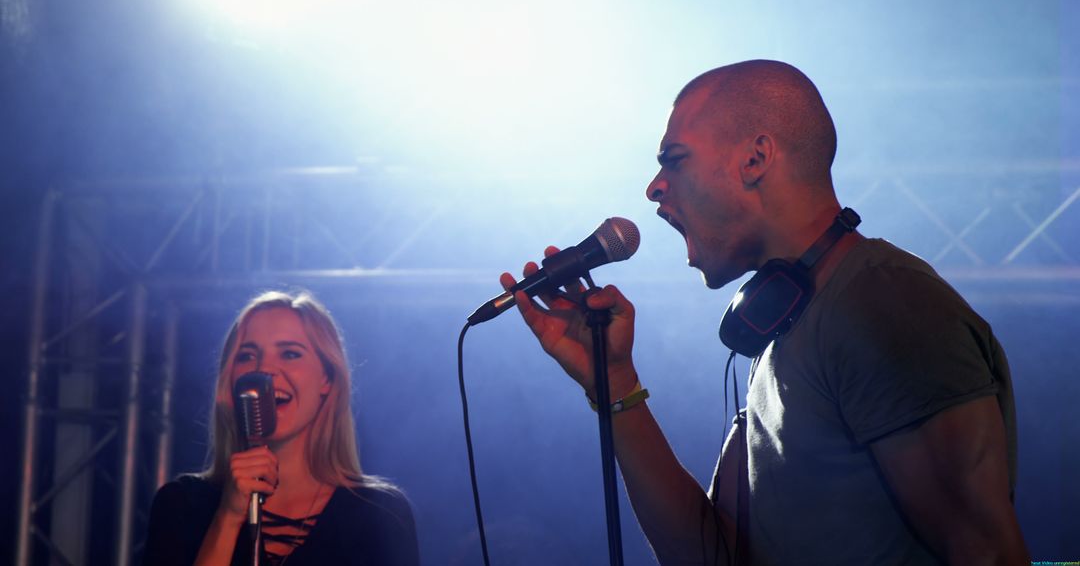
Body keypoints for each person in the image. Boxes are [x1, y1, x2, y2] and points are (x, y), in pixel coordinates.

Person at [498, 60, 1029, 565]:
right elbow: (709, 558)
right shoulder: (785, 327)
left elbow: (986, 553)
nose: (654, 188)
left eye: (674, 160)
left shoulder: (887, 303)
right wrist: (615, 385)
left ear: (755, 159)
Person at [143, 290, 420, 565]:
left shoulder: (379, 513)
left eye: (289, 354)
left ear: (327, 379)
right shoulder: (182, 504)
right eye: (247, 356)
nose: (264, 370)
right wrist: (228, 517)